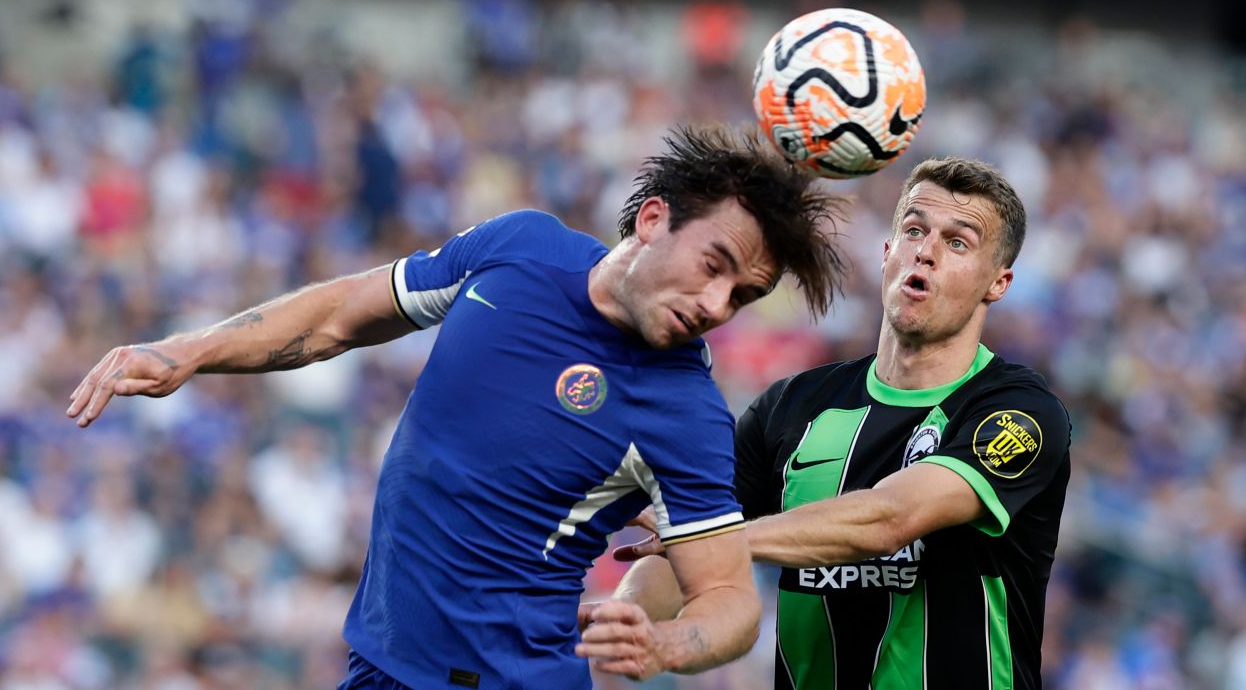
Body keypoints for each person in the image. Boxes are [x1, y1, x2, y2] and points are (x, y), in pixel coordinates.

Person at [66, 126, 849, 689]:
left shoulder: (683, 411)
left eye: (742, 296)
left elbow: (731, 600)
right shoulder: (521, 247)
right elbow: (339, 315)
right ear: (653, 219)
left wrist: (667, 645)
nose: (718, 303)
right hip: (380, 661)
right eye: (714, 266)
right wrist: (192, 351)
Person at [615, 157, 1072, 689]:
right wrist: (623, 618)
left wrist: (713, 537)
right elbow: (681, 554)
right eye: (914, 230)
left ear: (999, 282)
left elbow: (888, 520)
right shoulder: (792, 407)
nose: (925, 251)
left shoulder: (1018, 412)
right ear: (887, 252)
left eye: (958, 242)